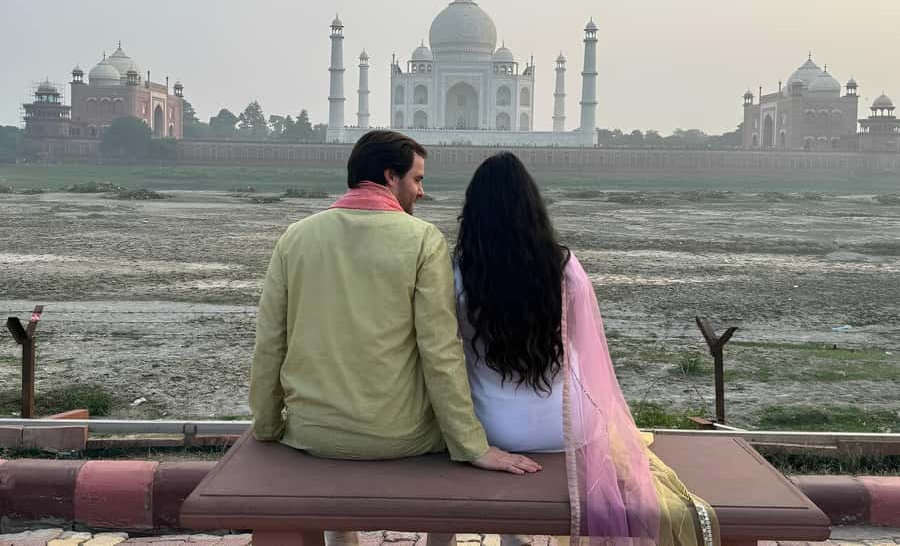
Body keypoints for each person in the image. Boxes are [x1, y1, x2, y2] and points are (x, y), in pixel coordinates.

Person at [454, 152, 718, 546]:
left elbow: (450, 351)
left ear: (473, 212)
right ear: (533, 208)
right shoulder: (563, 267)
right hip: (566, 427)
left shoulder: (459, 273)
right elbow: (584, 346)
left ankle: (512, 536)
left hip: (495, 430)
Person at [249, 130, 540, 479]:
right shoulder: (423, 240)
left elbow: (271, 343)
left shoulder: (294, 238)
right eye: (417, 179)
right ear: (390, 176)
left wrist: (266, 426)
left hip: (313, 435)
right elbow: (440, 351)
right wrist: (472, 445)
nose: (421, 191)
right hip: (401, 437)